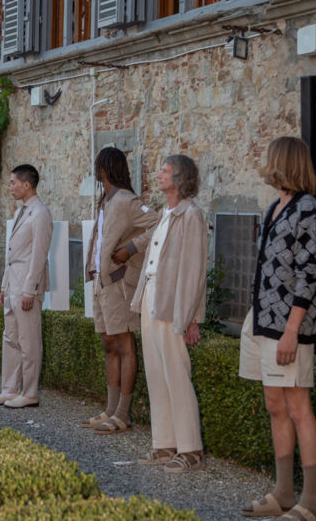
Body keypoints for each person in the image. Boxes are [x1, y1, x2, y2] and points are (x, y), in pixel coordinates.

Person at [239, 137, 316, 521]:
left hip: (288, 325)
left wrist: (292, 330)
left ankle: (310, 502)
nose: (264, 162)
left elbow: (311, 275)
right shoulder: (275, 206)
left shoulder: (309, 210)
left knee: (297, 407)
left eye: (269, 156)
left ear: (283, 162)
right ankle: (283, 493)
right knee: (275, 405)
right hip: (262, 320)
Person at [129, 154, 208, 473]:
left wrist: (190, 317)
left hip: (173, 301)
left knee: (176, 373)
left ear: (180, 178)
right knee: (156, 373)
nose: (158, 175)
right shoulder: (165, 213)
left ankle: (191, 449)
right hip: (151, 296)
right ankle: (164, 443)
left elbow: (194, 271)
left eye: (164, 171)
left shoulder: (192, 216)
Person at [81, 147, 160, 435]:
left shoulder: (127, 200)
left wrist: (130, 249)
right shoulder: (105, 201)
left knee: (125, 344)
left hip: (119, 282)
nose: (96, 171)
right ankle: (111, 409)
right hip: (101, 284)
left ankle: (123, 414)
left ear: (105, 168)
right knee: (109, 345)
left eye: (98, 165)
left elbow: (158, 223)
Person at [0, 164, 53, 409]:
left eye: (13, 182)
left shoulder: (41, 213)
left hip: (27, 287)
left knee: (29, 340)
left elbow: (39, 254)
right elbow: (13, 252)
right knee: (10, 338)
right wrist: (4, 286)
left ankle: (30, 392)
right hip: (12, 285)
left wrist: (30, 290)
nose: (10, 187)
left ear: (27, 185)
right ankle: (9, 389)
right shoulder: (19, 213)